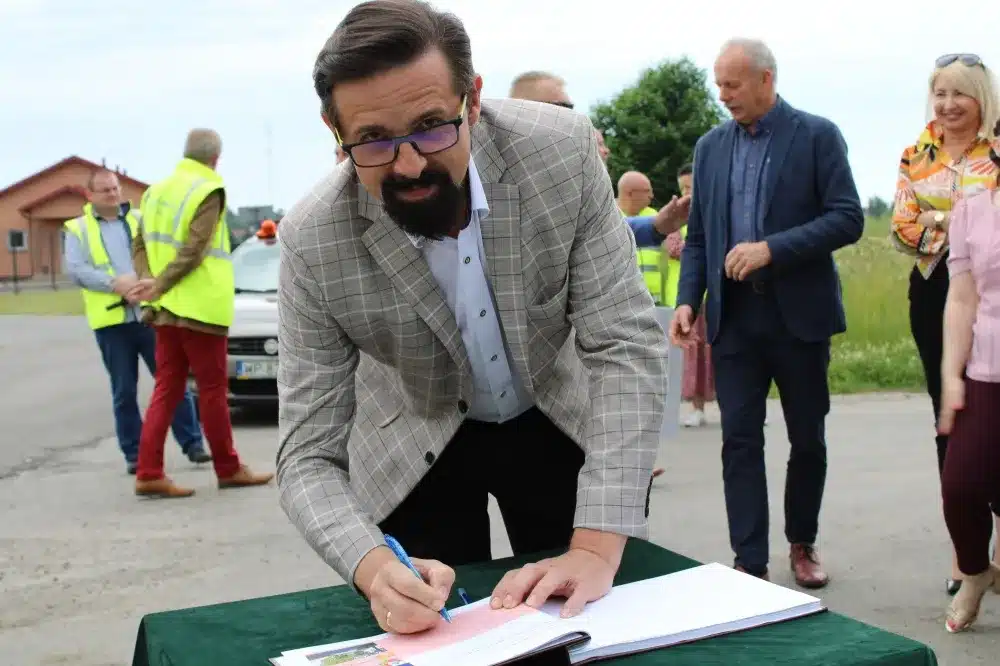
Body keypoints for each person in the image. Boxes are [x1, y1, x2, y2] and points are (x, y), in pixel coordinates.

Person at [277, 0, 687, 636]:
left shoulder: (562, 154)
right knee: (436, 631)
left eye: (430, 126)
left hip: (554, 410)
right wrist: (372, 567)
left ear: (472, 100)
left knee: (596, 618)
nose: (409, 164)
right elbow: (306, 454)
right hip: (413, 434)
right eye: (373, 139)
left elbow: (624, 344)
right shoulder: (312, 239)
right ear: (335, 130)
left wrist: (595, 547)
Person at [669, 37, 864, 588]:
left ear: (765, 80)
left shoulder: (817, 136)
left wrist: (772, 249)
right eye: (718, 85)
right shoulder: (710, 147)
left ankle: (802, 541)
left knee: (808, 438)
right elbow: (699, 238)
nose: (723, 95)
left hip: (800, 318)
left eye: (732, 84)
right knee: (739, 440)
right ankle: (749, 562)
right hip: (735, 320)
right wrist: (688, 300)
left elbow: (847, 218)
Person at [890, 53, 1000, 596]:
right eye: (940, 93)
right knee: (949, 415)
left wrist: (938, 216)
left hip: (994, 290)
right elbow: (901, 228)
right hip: (935, 290)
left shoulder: (996, 152)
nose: (948, 104)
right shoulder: (916, 153)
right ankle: (966, 554)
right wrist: (965, 221)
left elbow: (930, 222)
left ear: (983, 97)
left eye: (960, 93)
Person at [128, 128, 274, 498]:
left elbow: (139, 243)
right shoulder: (208, 188)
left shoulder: (155, 191)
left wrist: (150, 284)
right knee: (212, 390)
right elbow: (196, 248)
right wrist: (160, 284)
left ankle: (148, 472)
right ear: (215, 159)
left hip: (164, 310)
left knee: (167, 388)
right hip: (200, 309)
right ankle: (228, 468)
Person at [62, 169, 210, 475]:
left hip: (151, 314)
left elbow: (162, 255)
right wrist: (115, 284)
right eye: (105, 190)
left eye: (115, 188)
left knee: (172, 382)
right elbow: (76, 269)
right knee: (124, 391)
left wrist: (144, 284)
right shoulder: (77, 229)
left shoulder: (141, 219)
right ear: (90, 195)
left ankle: (193, 443)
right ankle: (135, 454)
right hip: (112, 322)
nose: (113, 194)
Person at [937, 151, 1000, 633]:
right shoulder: (972, 211)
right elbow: (961, 298)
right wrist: (951, 374)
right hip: (987, 370)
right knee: (960, 485)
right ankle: (977, 572)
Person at [665, 163, 716, 428]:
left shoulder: (715, 211)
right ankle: (697, 407)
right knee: (694, 356)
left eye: (691, 186)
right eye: (683, 188)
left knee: (720, 354)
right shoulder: (678, 219)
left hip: (717, 296)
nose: (688, 192)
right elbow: (674, 248)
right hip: (690, 301)